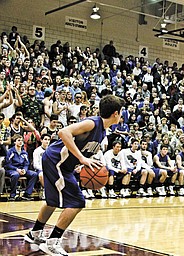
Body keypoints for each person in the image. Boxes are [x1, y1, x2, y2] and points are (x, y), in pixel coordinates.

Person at [24, 95, 125, 256]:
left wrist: (85, 161)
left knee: (53, 200)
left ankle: (34, 233)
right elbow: (64, 132)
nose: (121, 115)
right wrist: (81, 158)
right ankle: (52, 242)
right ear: (115, 113)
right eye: (121, 112)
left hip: (61, 163)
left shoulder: (103, 131)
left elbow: (81, 147)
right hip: (56, 162)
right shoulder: (92, 123)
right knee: (77, 202)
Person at [5, 134, 38, 201]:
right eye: (18, 140)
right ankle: (13, 195)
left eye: (22, 141)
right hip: (12, 169)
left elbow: (26, 163)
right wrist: (17, 169)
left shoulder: (24, 153)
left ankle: (27, 194)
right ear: (14, 142)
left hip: (22, 169)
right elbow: (8, 164)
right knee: (15, 174)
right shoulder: (10, 151)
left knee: (34, 174)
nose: (20, 142)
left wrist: (24, 170)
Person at [33, 133, 51, 199]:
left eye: (48, 140)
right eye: (45, 139)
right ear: (41, 140)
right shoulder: (37, 151)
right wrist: (44, 169)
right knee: (41, 175)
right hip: (40, 169)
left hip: (50, 169)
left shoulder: (51, 150)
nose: (47, 141)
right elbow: (35, 164)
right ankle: (45, 190)